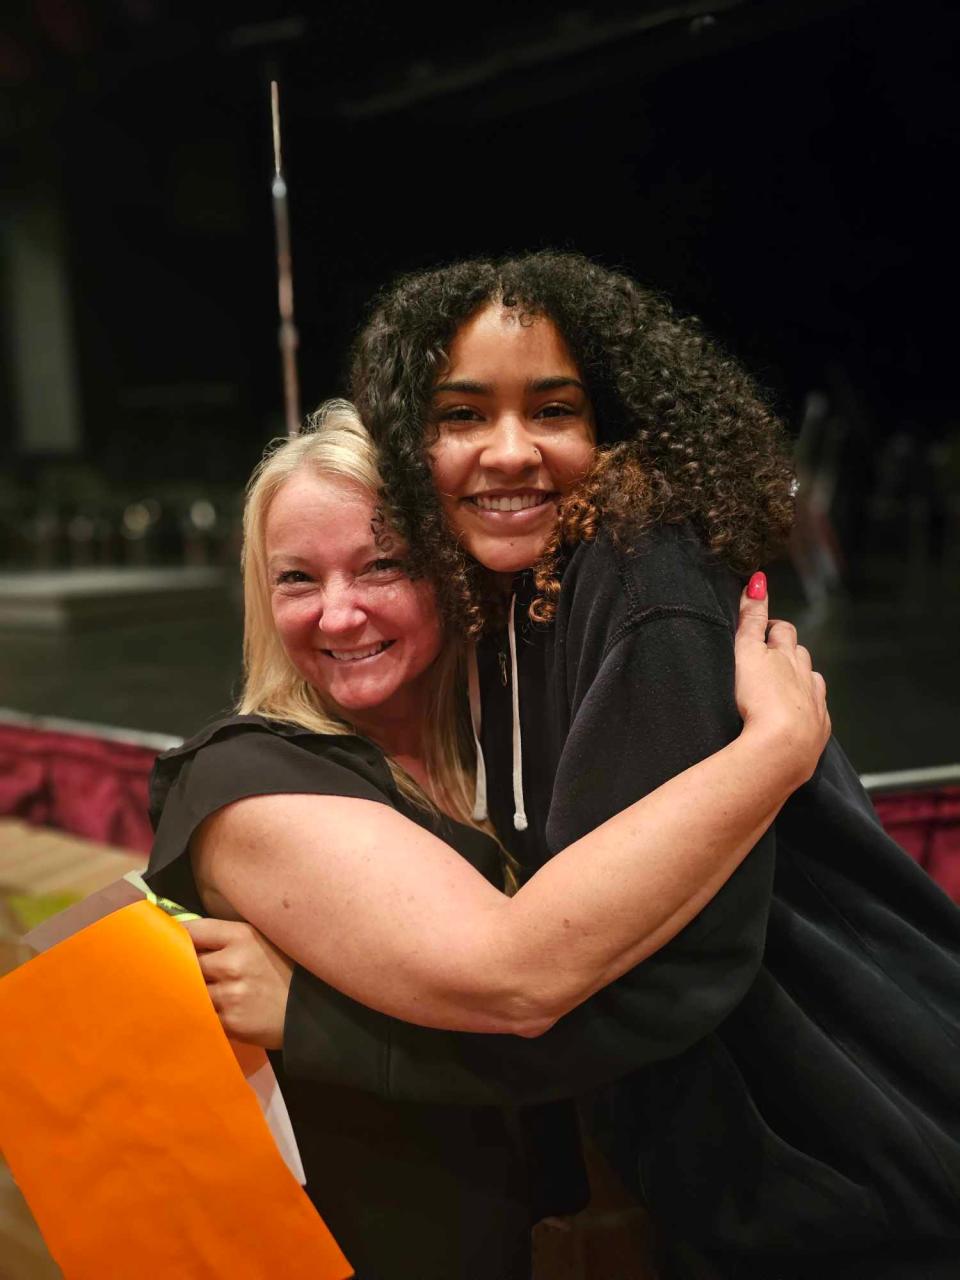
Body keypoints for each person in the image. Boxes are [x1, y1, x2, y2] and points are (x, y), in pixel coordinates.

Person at [202, 254, 960, 1279]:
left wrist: (319, 1019)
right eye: (462, 414)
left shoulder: (640, 571)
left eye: (552, 409)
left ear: (613, 422)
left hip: (862, 1155)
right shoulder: (512, 600)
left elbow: (623, 976)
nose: (508, 451)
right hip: (755, 1181)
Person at [146, 401, 828, 1280]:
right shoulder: (246, 780)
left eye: (381, 564)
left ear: (446, 571)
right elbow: (520, 977)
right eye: (297, 580)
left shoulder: (504, 760)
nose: (340, 614)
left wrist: (317, 1016)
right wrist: (775, 749)